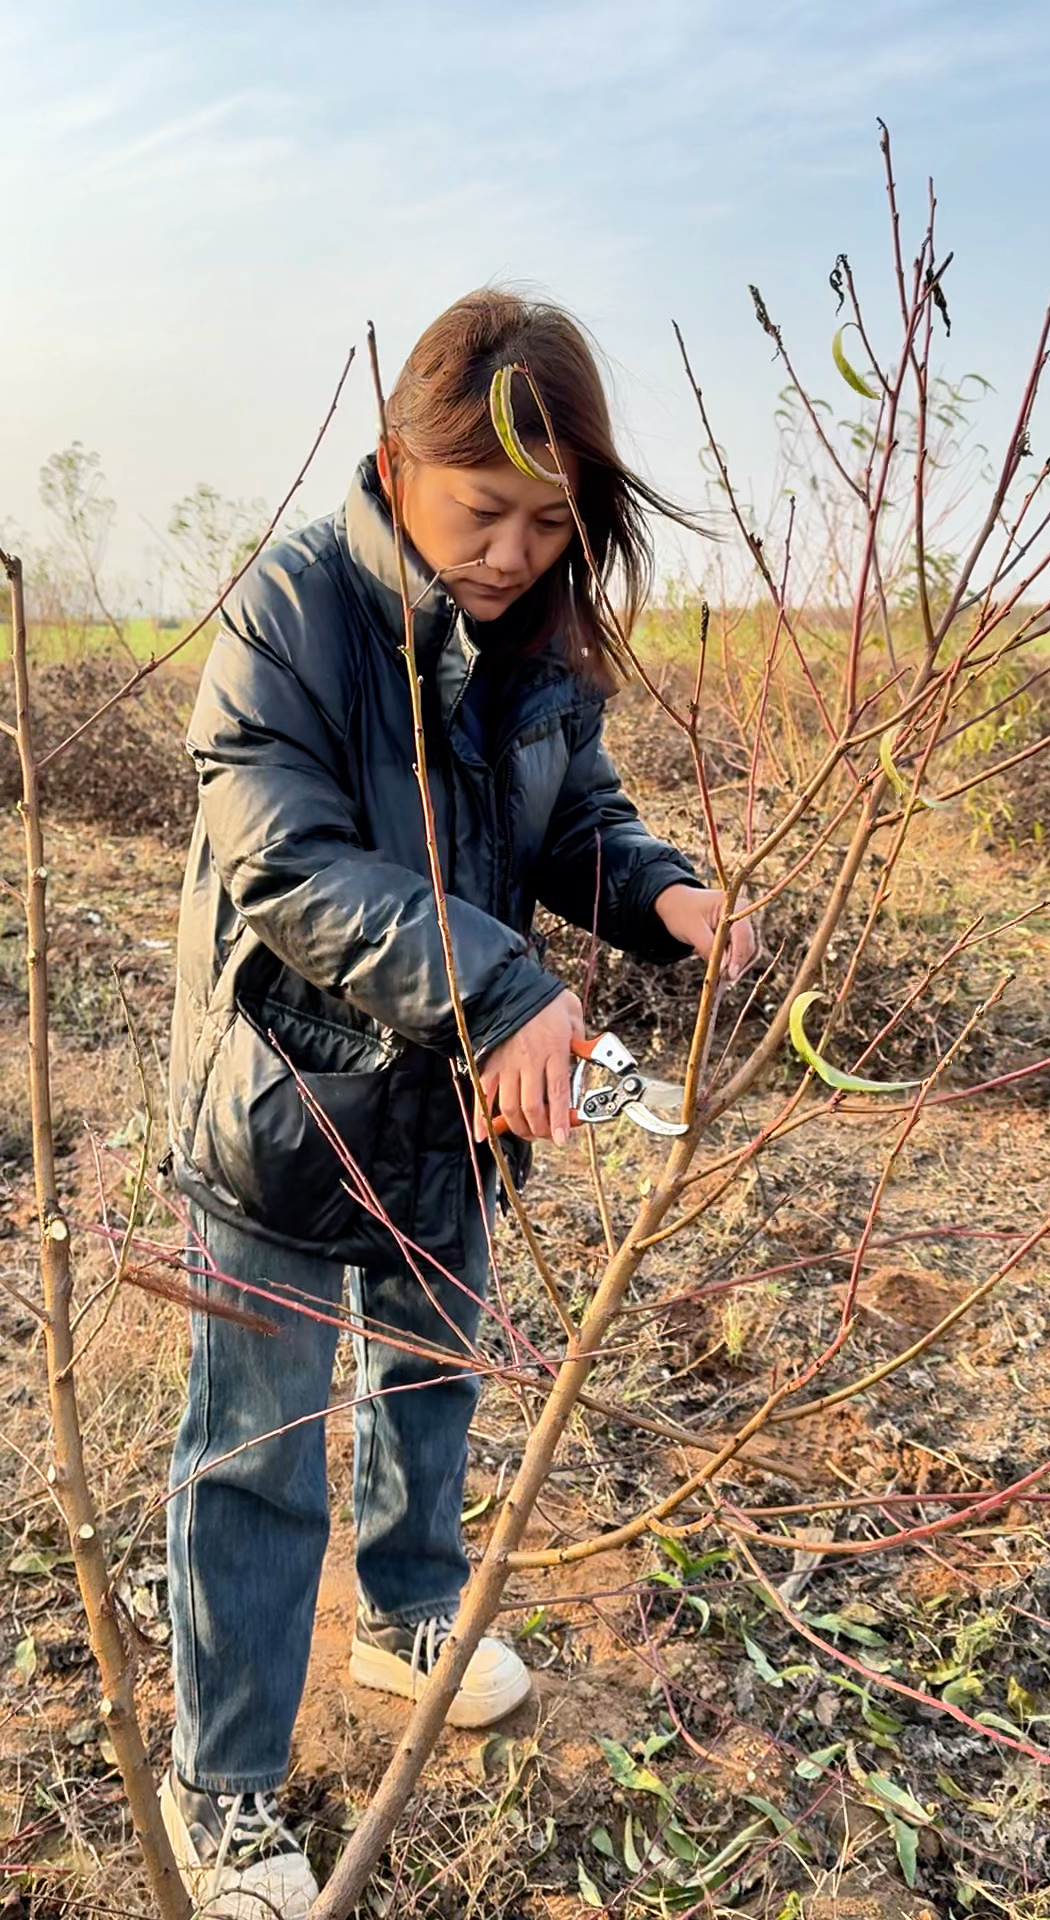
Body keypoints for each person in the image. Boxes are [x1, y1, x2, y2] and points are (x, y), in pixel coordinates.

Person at [159, 289, 757, 1918]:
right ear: (393, 462)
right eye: (482, 511)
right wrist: (501, 988)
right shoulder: (289, 613)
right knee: (261, 1454)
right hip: (285, 1100)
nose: (511, 553)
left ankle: (411, 1615)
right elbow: (289, 867)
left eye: (549, 522)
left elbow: (578, 820)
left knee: (435, 1374)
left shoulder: (539, 637)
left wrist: (665, 893)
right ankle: (220, 1785)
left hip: (454, 1106)